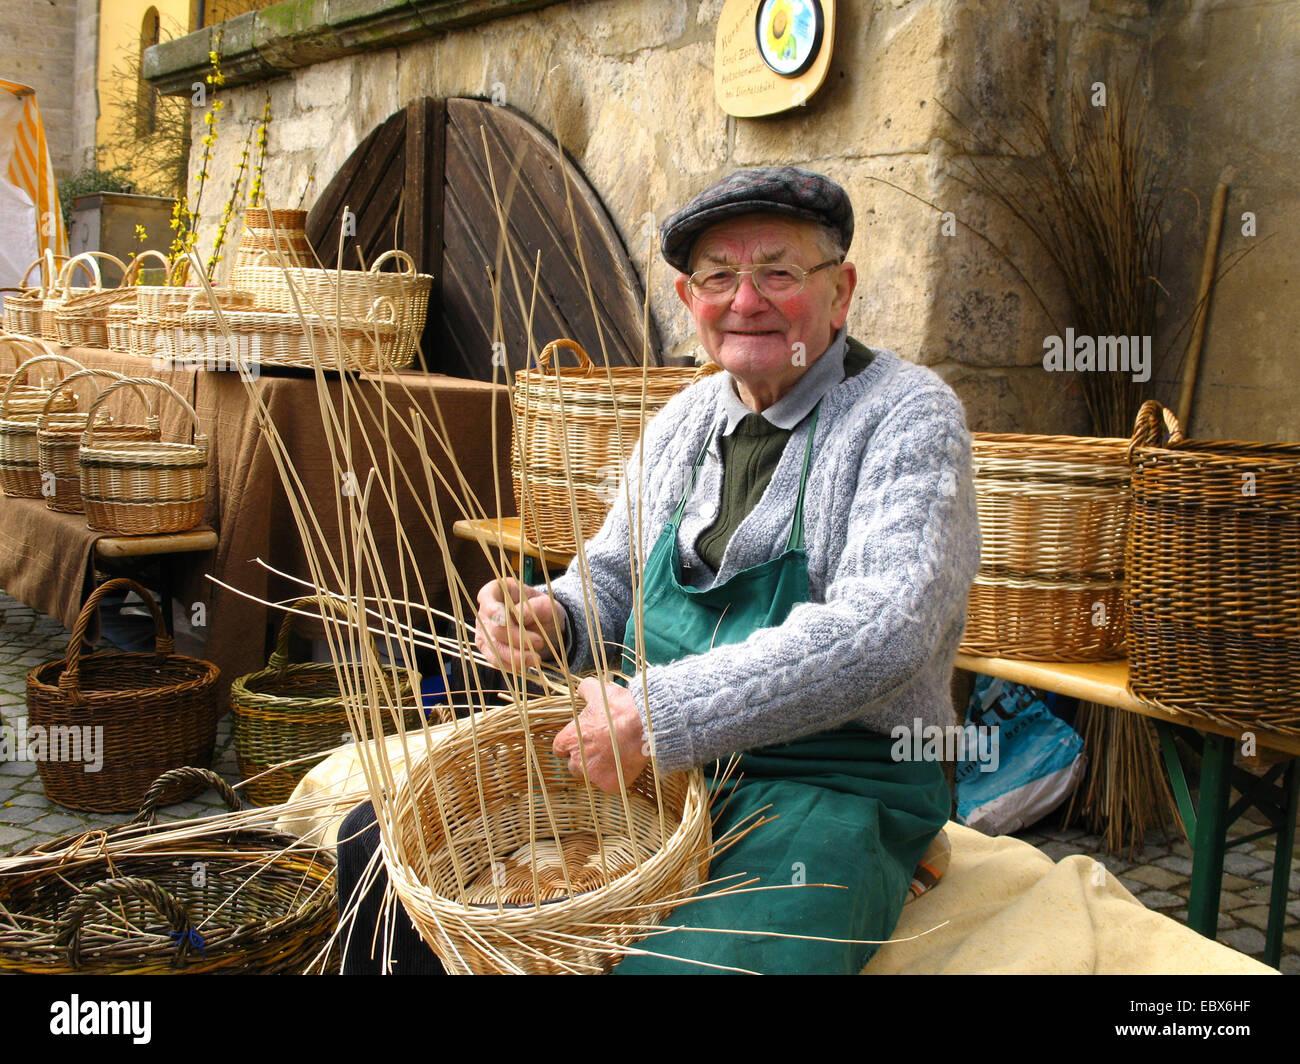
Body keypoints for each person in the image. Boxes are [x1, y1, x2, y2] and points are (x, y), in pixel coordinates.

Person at [336, 166, 980, 975]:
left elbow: (886, 631)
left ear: (840, 292)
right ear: (690, 301)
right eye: (718, 277)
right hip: (657, 763)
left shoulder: (909, 416)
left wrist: (658, 712)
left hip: (829, 778)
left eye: (777, 271)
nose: (745, 300)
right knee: (380, 849)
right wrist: (552, 614)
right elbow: (608, 576)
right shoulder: (685, 418)